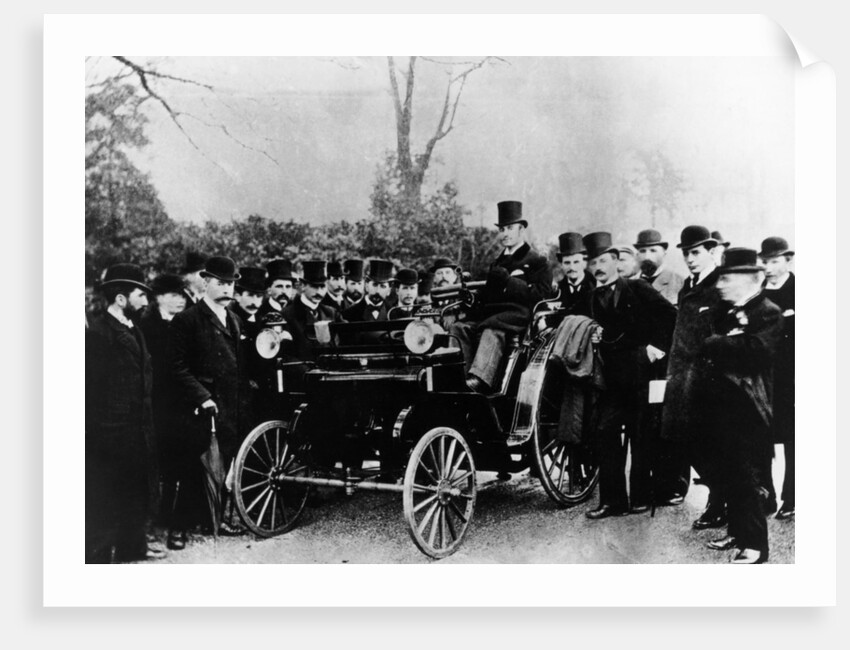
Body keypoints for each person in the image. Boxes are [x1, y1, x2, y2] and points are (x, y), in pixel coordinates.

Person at [574, 233, 677, 518]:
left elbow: (670, 315)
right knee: (604, 431)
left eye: (603, 261)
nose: (598, 267)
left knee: (640, 435)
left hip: (639, 372)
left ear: (615, 261)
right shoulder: (590, 298)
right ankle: (612, 501)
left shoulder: (636, 288)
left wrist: (655, 348)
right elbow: (572, 320)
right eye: (593, 262)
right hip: (610, 379)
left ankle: (641, 496)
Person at [701, 248, 783, 564]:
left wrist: (717, 343)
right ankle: (737, 533)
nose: (719, 285)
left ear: (751, 279)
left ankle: (756, 547)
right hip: (722, 407)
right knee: (730, 473)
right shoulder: (727, 311)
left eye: (726, 278)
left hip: (749, 410)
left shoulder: (767, 312)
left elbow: (757, 351)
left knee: (747, 479)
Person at [169, 256, 252, 542]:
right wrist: (202, 397)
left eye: (231, 284)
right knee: (194, 468)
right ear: (206, 282)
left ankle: (214, 520)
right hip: (202, 408)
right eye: (221, 282)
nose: (227, 289)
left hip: (231, 407)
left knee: (224, 465)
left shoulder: (235, 320)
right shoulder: (187, 320)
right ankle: (179, 528)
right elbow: (176, 367)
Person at [86, 263, 165, 562]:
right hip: (110, 432)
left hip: (138, 429)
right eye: (140, 295)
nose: (146, 301)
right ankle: (97, 559)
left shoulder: (134, 329)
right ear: (121, 298)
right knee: (106, 496)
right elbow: (90, 388)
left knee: (136, 490)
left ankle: (132, 549)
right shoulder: (98, 333)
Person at [660, 226, 726, 526]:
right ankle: (720, 497)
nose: (690, 259)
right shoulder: (688, 286)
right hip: (682, 377)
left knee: (710, 443)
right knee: (687, 442)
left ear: (711, 252)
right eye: (686, 253)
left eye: (696, 252)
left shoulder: (719, 286)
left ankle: (720, 502)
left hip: (708, 380)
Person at [450, 201, 552, 394]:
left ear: (521, 229)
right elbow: (489, 296)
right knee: (459, 328)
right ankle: (458, 378)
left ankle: (480, 379)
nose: (505, 233)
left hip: (518, 315)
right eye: (502, 229)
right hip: (494, 313)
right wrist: (472, 298)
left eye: (510, 228)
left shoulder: (537, 261)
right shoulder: (497, 262)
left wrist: (510, 282)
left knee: (491, 328)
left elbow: (542, 295)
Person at [138, 273, 187, 529]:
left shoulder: (183, 324)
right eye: (174, 295)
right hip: (155, 401)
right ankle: (152, 512)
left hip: (179, 401)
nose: (181, 300)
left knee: (176, 456)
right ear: (158, 298)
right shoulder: (146, 326)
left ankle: (170, 513)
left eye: (182, 294)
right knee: (155, 455)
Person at [759, 236, 795, 520]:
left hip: (792, 377)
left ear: (788, 260)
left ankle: (792, 497)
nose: (769, 268)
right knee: (761, 437)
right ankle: (766, 496)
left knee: (794, 438)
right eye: (765, 262)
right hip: (763, 377)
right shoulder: (759, 293)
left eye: (774, 261)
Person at [282, 260, 343, 360]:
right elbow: (287, 355)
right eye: (314, 286)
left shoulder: (331, 313)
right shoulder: (287, 315)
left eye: (322, 287)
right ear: (302, 286)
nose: (319, 292)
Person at [635, 229, 685, 305]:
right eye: (642, 251)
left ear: (664, 253)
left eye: (653, 251)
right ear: (637, 255)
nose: (647, 257)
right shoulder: (630, 283)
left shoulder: (678, 281)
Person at [556, 232, 593, 312]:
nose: (572, 267)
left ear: (584, 263)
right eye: (567, 263)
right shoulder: (556, 290)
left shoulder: (596, 286)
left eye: (576, 262)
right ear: (561, 265)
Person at [231, 266, 267, 339]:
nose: (254, 301)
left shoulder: (263, 322)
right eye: (250, 295)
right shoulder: (229, 320)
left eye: (259, 296)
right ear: (237, 296)